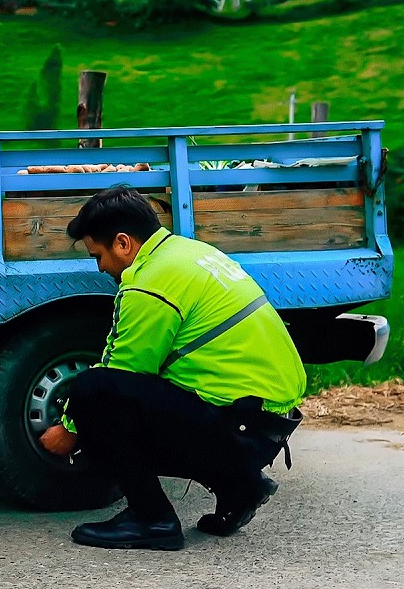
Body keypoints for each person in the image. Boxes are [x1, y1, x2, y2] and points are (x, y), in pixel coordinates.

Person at [41, 187, 306, 550]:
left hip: (239, 429)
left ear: (122, 243)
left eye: (98, 255)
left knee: (93, 390)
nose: (100, 267)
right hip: (270, 424)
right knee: (141, 396)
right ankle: (240, 484)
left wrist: (69, 427)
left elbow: (122, 372)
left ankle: (151, 519)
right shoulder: (190, 252)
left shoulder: (150, 281)